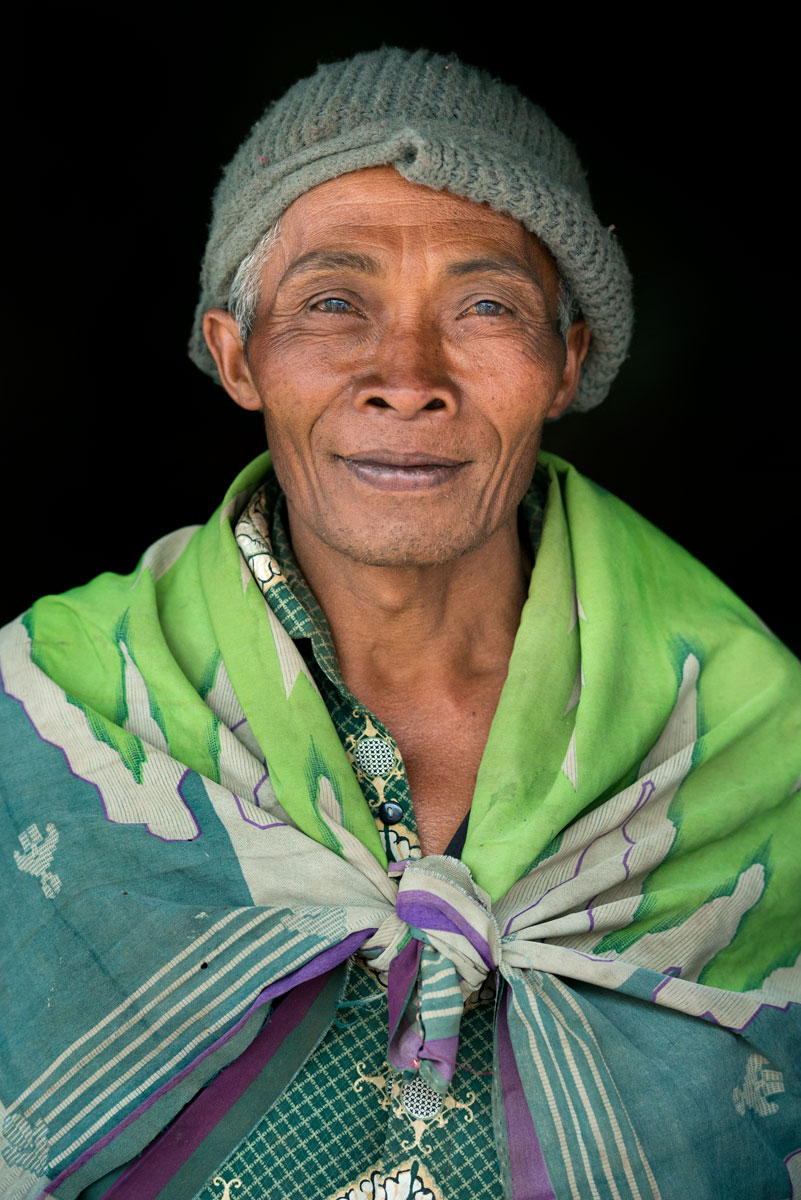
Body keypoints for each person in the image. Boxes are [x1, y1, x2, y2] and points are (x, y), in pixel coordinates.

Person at [1, 46, 799, 1200]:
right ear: (239, 355)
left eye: (485, 306)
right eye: (334, 302)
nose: (407, 374)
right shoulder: (50, 717)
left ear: (566, 360)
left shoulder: (746, 741)